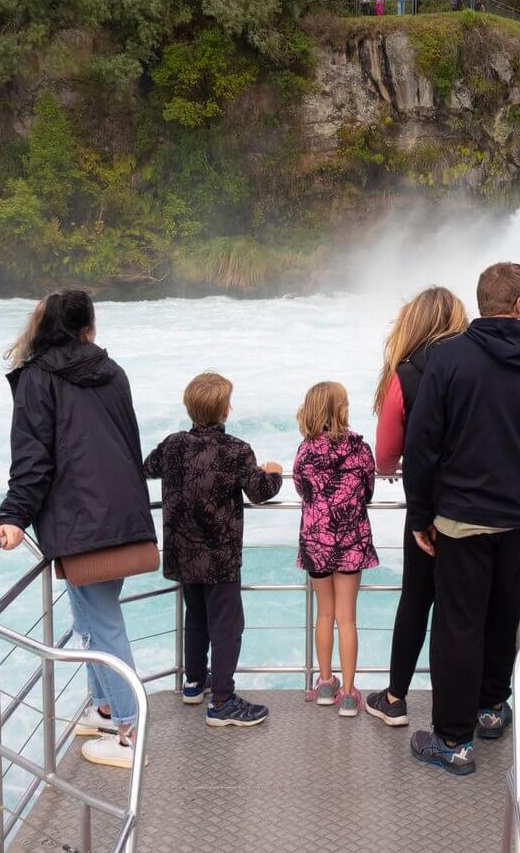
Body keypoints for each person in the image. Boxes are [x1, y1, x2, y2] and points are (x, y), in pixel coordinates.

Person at [404, 263, 520, 776]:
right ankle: (489, 708)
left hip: (460, 519)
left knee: (458, 625)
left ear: (483, 303)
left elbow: (422, 443)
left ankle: (454, 741)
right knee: (502, 617)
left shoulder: (450, 359)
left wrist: (421, 512)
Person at [0, 290, 157, 771]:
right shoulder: (114, 372)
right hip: (122, 512)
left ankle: (130, 732)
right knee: (92, 619)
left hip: (81, 519)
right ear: (89, 325)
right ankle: (105, 708)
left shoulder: (38, 379)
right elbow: (129, 444)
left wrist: (13, 515)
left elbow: (32, 458)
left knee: (102, 623)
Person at [143, 372, 283, 728]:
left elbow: (148, 467)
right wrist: (275, 473)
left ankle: (194, 683)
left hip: (182, 553)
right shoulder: (235, 450)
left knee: (197, 619)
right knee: (228, 626)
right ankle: (221, 701)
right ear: (224, 411)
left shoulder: (173, 444)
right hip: (219, 557)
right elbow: (260, 491)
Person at [365, 288, 470, 728]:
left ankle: (395, 698)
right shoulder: (475, 364)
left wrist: (404, 465)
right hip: (477, 502)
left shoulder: (405, 375)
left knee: (416, 600)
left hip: (427, 503)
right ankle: (469, 707)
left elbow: (385, 454)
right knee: (462, 608)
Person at [294, 381, 378, 718]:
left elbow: (302, 489)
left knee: (324, 614)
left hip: (316, 538)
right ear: (341, 409)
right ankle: (348, 694)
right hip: (350, 539)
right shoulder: (359, 449)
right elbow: (368, 489)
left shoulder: (305, 451)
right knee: (347, 617)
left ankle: (325, 683)